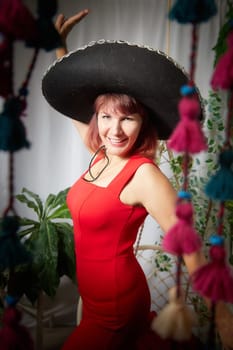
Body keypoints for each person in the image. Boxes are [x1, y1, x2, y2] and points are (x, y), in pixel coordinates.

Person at [42, 9, 232, 350]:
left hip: (117, 307)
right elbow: (74, 104)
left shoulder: (143, 174)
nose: (114, 130)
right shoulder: (101, 153)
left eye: (127, 118)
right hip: (93, 302)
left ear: (143, 123)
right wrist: (60, 49)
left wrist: (223, 318)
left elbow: (189, 244)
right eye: (105, 117)